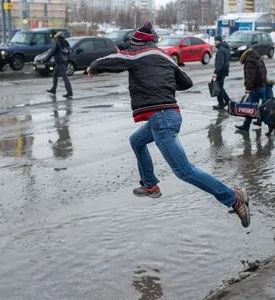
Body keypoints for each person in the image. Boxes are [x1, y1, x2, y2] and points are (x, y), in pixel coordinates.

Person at [86, 22, 251, 228]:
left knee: (184, 171)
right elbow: (186, 82)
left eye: (132, 44)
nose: (131, 47)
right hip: (168, 115)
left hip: (162, 118)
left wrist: (94, 66)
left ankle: (233, 197)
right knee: (136, 141)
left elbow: (117, 59)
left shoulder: (138, 54)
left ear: (137, 42)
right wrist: (163, 79)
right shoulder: (164, 57)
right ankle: (150, 185)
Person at [235, 48, 267, 132]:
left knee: (249, 107)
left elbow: (250, 77)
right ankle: (263, 121)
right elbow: (264, 72)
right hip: (262, 86)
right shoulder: (258, 59)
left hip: (255, 88)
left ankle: (246, 126)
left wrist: (248, 89)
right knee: (262, 107)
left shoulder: (249, 62)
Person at [44, 30, 73, 98]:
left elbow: (53, 50)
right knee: (55, 75)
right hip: (64, 60)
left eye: (50, 34)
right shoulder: (65, 41)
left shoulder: (55, 40)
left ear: (52, 34)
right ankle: (53, 89)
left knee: (65, 77)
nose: (49, 35)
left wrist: (46, 58)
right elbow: (70, 50)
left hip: (60, 61)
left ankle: (69, 92)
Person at [212, 35, 231, 110]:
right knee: (220, 87)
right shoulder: (225, 48)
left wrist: (215, 72)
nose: (214, 42)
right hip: (224, 70)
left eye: (215, 41)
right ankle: (227, 101)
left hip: (221, 71)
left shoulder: (220, 50)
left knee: (218, 88)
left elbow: (220, 63)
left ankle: (221, 104)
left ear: (219, 41)